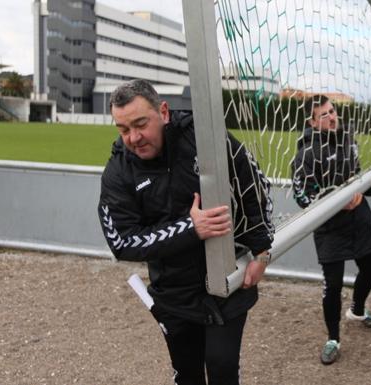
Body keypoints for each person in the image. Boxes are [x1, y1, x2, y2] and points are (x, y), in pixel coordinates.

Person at [97, 79, 274, 385]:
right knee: (187, 376)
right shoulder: (118, 171)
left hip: (226, 282)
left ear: (163, 112)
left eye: (141, 124)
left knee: (222, 370)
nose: (134, 138)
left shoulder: (203, 136)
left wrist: (262, 251)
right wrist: (190, 229)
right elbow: (121, 242)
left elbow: (252, 182)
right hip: (173, 295)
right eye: (123, 129)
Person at [291, 94, 371, 365]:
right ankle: (333, 338)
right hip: (330, 230)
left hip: (359, 222)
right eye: (324, 114)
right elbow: (302, 197)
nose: (332, 117)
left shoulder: (348, 142)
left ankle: (357, 310)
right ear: (312, 121)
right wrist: (336, 203)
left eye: (332, 111)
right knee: (332, 286)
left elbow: (358, 180)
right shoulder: (305, 154)